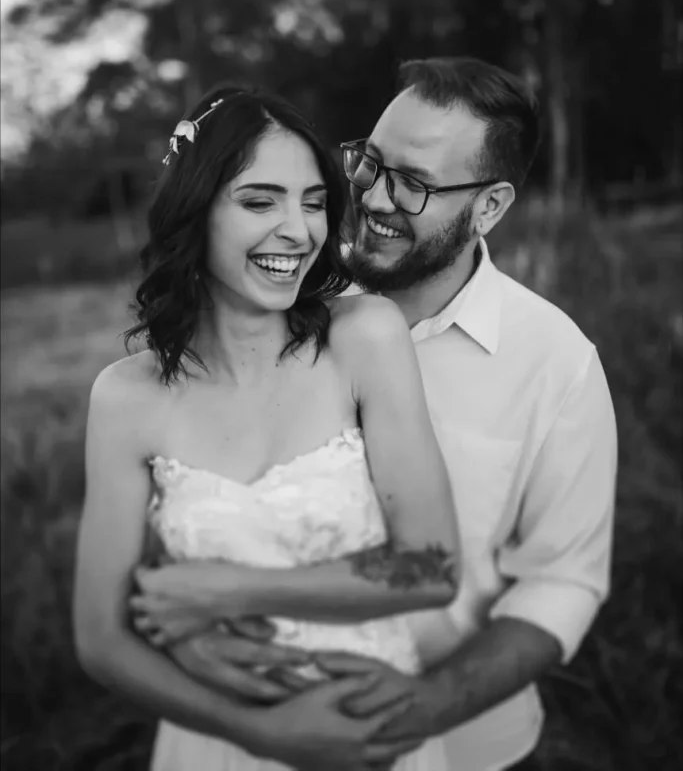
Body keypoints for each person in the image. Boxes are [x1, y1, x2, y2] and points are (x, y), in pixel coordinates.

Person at [135, 56, 618, 771]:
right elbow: (175, 484)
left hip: (462, 742)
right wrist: (188, 633)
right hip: (245, 715)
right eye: (370, 162)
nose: (373, 197)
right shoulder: (275, 287)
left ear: (489, 207)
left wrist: (428, 704)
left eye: (414, 184)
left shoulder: (555, 364)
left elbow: (562, 581)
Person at [72, 83, 464, 771]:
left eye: (312, 202)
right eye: (260, 202)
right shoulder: (125, 399)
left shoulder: (364, 338)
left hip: (371, 729)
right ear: (195, 211)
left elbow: (433, 567)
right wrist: (261, 733)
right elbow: (100, 638)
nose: (299, 230)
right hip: (217, 743)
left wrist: (221, 590)